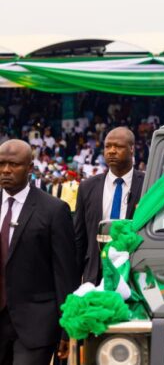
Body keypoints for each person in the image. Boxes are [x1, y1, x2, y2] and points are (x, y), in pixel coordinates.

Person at [0, 139, 78, 364]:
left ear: (30, 168)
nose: (6, 170)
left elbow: (65, 274)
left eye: (13, 164)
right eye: (2, 163)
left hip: (36, 325)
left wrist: (67, 327)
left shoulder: (54, 210)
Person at [74, 127, 145, 284]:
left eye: (118, 146)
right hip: (96, 273)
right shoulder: (87, 187)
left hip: (134, 270)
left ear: (132, 149)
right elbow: (80, 237)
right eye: (108, 146)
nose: (111, 151)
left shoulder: (148, 184)